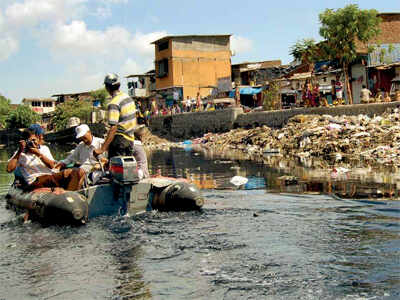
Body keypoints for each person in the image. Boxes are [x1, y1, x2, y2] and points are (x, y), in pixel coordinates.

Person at [93, 73, 149, 179]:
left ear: (107, 87)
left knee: (116, 174)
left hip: (119, 141)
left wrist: (102, 149)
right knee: (126, 172)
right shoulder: (128, 98)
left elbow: (113, 128)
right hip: (130, 140)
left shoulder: (113, 103)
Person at [6, 124, 83, 191]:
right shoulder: (21, 153)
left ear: (37, 138)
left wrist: (38, 153)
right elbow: (9, 169)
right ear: (25, 142)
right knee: (66, 173)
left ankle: (71, 195)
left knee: (75, 172)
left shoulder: (44, 149)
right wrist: (19, 151)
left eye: (34, 140)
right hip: (36, 180)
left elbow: (52, 166)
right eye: (30, 141)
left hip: (50, 176)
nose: (34, 142)